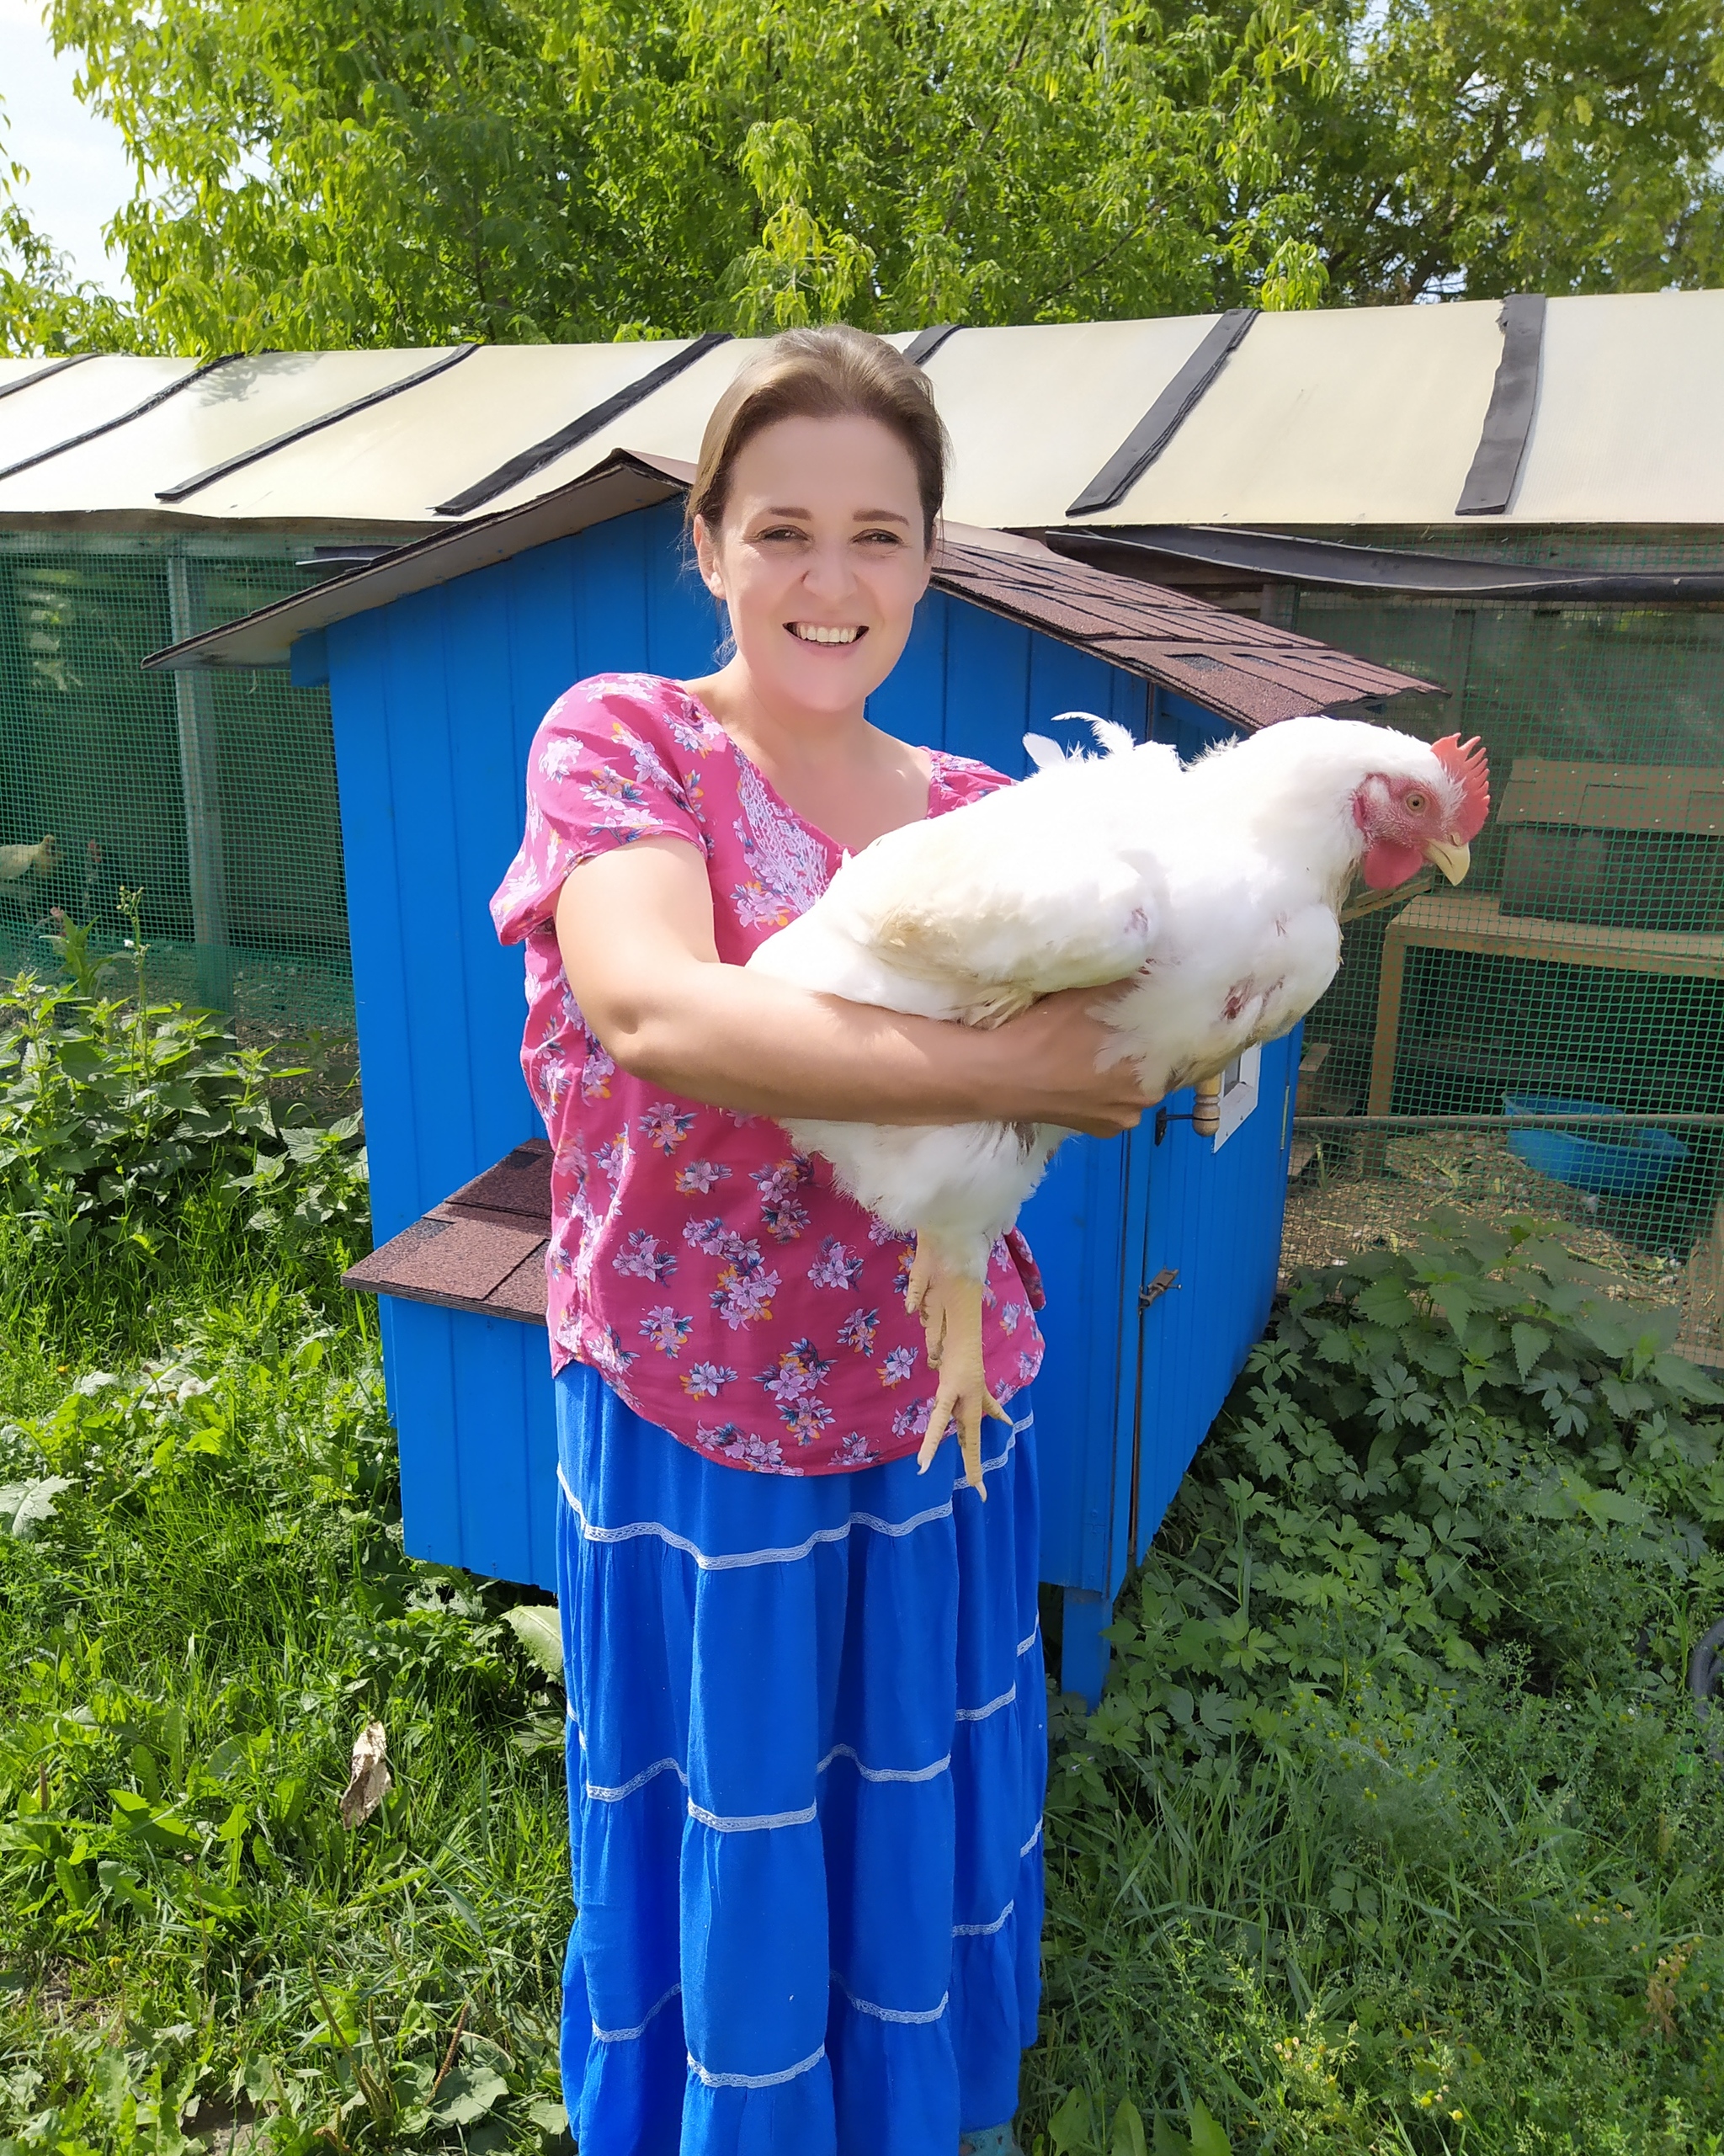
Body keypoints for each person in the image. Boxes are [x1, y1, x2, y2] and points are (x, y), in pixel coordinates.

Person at [490, 324, 1151, 2156]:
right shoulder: (625, 743)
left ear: (931, 560)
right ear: (706, 546)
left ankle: (904, 2099)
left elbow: (1120, 1034)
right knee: (741, 1786)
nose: (829, 578)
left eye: (879, 533)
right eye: (782, 528)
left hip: (938, 1377)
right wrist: (1007, 1058)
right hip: (702, 1401)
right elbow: (659, 1014)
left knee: (909, 1765)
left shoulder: (980, 816)